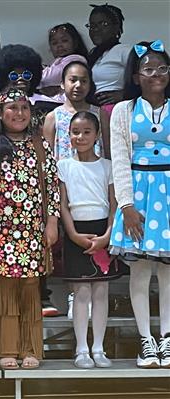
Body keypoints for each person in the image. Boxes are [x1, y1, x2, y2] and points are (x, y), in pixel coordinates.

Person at [0, 88, 60, 369]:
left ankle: (31, 349)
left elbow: (52, 186)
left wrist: (52, 221)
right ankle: (7, 350)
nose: (19, 113)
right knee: (7, 287)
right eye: (12, 107)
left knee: (31, 287)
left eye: (24, 107)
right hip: (1, 230)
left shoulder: (40, 146)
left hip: (33, 229)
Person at [109, 40, 170, 368]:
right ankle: (146, 340)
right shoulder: (124, 111)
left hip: (169, 194)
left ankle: (168, 339)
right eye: (148, 69)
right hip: (139, 195)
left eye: (162, 68)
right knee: (141, 270)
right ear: (135, 75)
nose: (156, 74)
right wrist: (127, 206)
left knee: (168, 274)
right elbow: (119, 159)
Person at [58, 111, 123, 368]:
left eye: (87, 132)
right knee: (81, 291)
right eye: (75, 132)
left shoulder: (107, 166)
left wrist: (107, 235)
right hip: (76, 230)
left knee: (101, 291)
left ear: (97, 135)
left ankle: (99, 348)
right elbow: (62, 205)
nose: (80, 136)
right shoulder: (63, 165)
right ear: (69, 135)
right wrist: (73, 234)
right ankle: (81, 349)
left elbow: (114, 203)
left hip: (103, 230)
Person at [86, 3, 131, 158]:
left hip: (113, 112)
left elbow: (143, 78)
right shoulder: (93, 55)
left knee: (114, 159)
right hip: (94, 112)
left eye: (103, 24)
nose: (96, 29)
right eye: (92, 25)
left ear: (116, 27)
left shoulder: (124, 51)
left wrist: (124, 94)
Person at [43, 57, 101, 161]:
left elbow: (108, 148)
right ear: (62, 84)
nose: (78, 85)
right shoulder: (53, 117)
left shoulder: (100, 114)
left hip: (96, 174)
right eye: (73, 80)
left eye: (84, 81)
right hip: (64, 175)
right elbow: (47, 156)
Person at [31, 23, 89, 109]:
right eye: (54, 43)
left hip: (64, 103)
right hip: (54, 101)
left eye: (64, 41)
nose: (59, 45)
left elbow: (47, 78)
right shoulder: (57, 61)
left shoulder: (75, 59)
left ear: (75, 42)